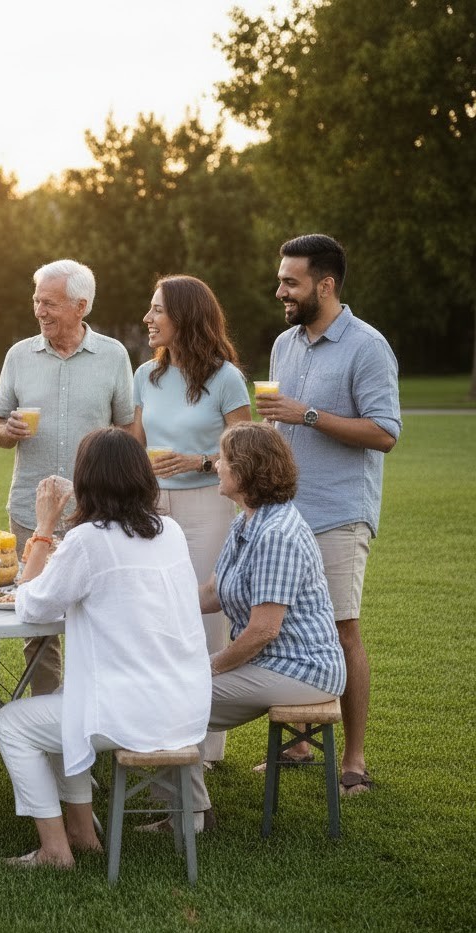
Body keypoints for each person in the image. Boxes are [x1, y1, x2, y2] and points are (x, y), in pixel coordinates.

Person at [0, 428, 211, 868]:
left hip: (128, 712)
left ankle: (55, 851)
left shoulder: (89, 540)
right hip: (185, 703)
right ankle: (80, 831)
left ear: (86, 479)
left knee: (13, 723)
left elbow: (30, 606)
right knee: (63, 704)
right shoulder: (168, 530)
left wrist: (42, 527)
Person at [256, 234, 400, 795]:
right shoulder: (284, 344)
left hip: (340, 511)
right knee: (288, 629)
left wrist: (306, 414)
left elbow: (385, 433)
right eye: (281, 279)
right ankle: (298, 740)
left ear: (326, 284)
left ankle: (354, 762)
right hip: (286, 512)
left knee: (342, 630)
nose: (280, 290)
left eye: (291, 281)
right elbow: (279, 423)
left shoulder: (367, 347)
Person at [154, 421, 346, 824]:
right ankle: (183, 807)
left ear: (244, 471)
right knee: (171, 690)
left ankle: (187, 814)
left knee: (174, 697)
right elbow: (213, 591)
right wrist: (157, 606)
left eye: (224, 459)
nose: (217, 466)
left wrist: (211, 665)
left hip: (302, 669)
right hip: (274, 661)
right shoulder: (247, 520)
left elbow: (263, 630)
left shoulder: (277, 533)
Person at [0, 259, 136, 696]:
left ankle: (101, 709)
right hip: (30, 512)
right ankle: (46, 718)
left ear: (80, 306)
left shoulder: (114, 355)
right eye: (37, 301)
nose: (40, 311)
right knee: (36, 618)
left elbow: (128, 430)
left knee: (102, 616)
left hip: (97, 513)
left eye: (50, 303)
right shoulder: (18, 355)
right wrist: (6, 430)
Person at [133, 274, 251, 768]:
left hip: (208, 503)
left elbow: (245, 451)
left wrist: (199, 462)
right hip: (154, 507)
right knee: (154, 613)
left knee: (203, 615)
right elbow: (135, 442)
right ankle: (157, 726)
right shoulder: (146, 375)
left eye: (158, 309)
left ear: (185, 316)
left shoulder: (225, 378)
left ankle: (205, 745)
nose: (148, 318)